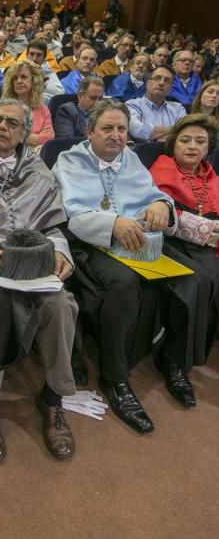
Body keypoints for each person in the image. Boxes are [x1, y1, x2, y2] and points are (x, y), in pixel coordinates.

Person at [0, 98, 103, 463]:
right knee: (1, 304)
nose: (2, 127)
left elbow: (54, 225)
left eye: (12, 123)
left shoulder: (38, 172)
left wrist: (60, 252)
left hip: (31, 258)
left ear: (25, 133)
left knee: (61, 304)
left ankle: (54, 399)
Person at [53, 99, 215, 433]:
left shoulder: (130, 159)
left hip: (135, 243)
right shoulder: (68, 161)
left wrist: (160, 205)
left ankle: (173, 362)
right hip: (89, 245)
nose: (115, 136)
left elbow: (157, 195)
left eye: (122, 129)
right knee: (124, 284)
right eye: (107, 129)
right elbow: (71, 214)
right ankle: (116, 378)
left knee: (190, 280)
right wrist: (113, 223)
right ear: (90, 131)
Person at [149, 114, 219, 308]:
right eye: (185, 140)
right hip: (178, 243)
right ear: (173, 145)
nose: (192, 146)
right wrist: (210, 229)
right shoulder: (162, 170)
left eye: (200, 141)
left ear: (208, 148)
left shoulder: (210, 174)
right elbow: (167, 219)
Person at [1, 59, 54, 148]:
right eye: (15, 78)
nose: (19, 81)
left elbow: (50, 137)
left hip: (37, 154)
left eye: (23, 77)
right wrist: (35, 138)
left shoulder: (43, 109)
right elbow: (4, 136)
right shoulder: (4, 108)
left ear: (34, 80)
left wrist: (21, 138)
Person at [127, 65, 186, 142]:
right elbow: (137, 130)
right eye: (157, 78)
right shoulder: (132, 105)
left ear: (170, 88)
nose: (161, 83)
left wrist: (154, 135)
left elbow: (185, 132)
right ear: (147, 82)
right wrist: (174, 129)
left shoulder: (178, 108)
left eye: (167, 80)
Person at [191, 79, 219, 146]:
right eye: (210, 92)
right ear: (200, 94)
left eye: (218, 94)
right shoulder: (184, 111)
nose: (214, 96)